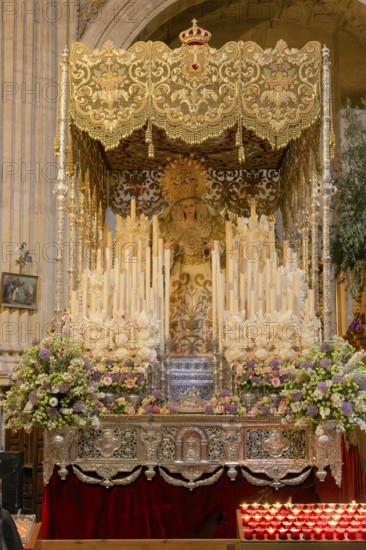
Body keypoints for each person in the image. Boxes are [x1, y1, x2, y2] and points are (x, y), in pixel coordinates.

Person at [159, 196, 225, 355]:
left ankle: (207, 345)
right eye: (185, 207)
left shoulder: (205, 226)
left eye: (191, 206)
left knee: (205, 303)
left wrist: (213, 246)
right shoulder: (175, 227)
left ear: (197, 207)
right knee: (179, 303)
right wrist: (168, 247)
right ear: (181, 209)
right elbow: (165, 247)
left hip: (203, 266)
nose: (189, 209)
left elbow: (221, 243)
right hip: (181, 268)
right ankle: (177, 345)